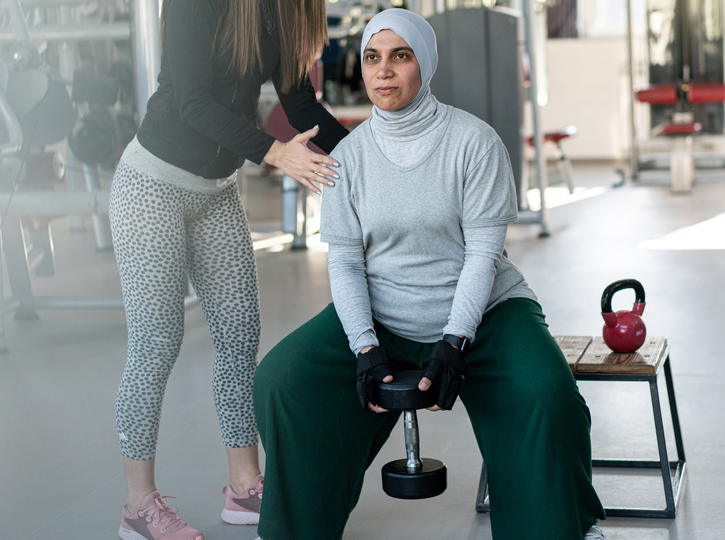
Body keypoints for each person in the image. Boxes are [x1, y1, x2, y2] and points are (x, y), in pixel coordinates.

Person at [252, 9, 608, 540]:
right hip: (383, 313)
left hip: (484, 314)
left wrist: (453, 342)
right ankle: (295, 530)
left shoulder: (474, 142)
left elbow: (482, 256)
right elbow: (347, 262)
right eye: (373, 58)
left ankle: (563, 529)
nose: (384, 71)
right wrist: (366, 348)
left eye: (401, 56)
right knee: (282, 381)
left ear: (426, 64)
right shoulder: (348, 158)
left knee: (546, 393)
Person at [109, 0, 350, 538]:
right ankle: (137, 503)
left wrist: (368, 154)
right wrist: (276, 153)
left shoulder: (280, 12)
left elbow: (301, 105)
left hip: (216, 193)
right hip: (152, 187)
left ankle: (245, 488)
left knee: (240, 338)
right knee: (157, 342)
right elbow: (194, 104)